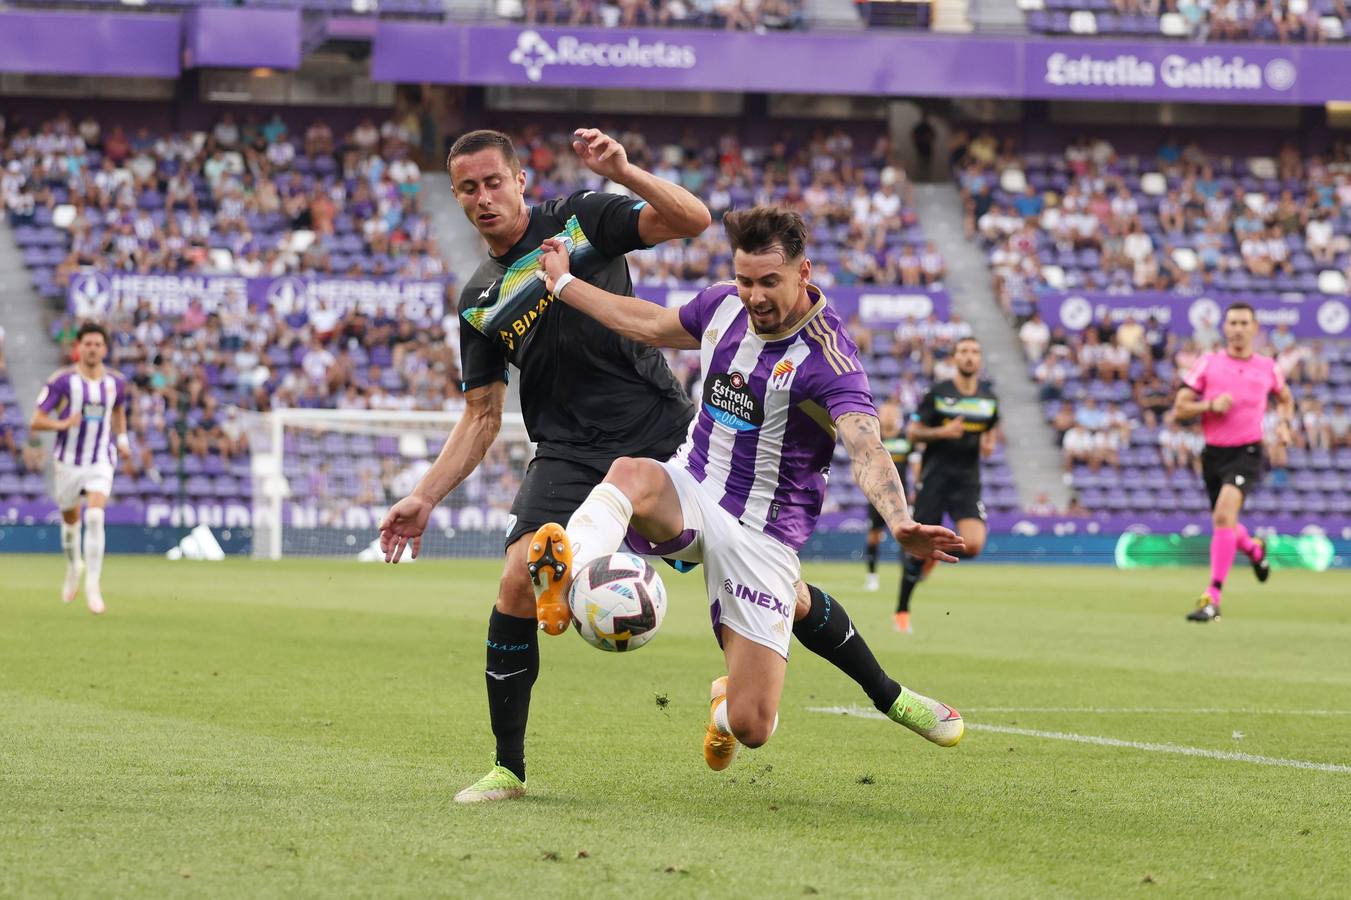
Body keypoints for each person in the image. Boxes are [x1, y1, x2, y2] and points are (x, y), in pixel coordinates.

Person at [377, 130, 944, 803]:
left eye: (493, 181)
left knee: (778, 625)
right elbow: (481, 414)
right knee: (517, 581)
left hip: (659, 426)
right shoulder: (479, 299)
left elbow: (686, 224)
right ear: (455, 197)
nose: (483, 197)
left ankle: (878, 692)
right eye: (467, 188)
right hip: (567, 451)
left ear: (519, 179)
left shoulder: (580, 220)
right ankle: (509, 764)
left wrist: (624, 172)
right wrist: (424, 496)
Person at [530, 206, 966, 770]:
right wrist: (564, 284)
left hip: (763, 531)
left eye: (769, 282)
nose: (754, 296)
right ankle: (565, 574)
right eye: (744, 280)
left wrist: (899, 519)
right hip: (693, 483)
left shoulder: (829, 361)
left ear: (803, 272)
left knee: (754, 724)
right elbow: (646, 323)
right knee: (630, 473)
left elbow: (866, 445)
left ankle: (732, 707)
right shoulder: (722, 307)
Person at [1172, 302, 1294, 623]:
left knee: (1224, 515)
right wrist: (1210, 405)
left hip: (1248, 452)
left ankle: (1211, 599)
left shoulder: (1268, 367)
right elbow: (1180, 408)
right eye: (1233, 323)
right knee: (1224, 522)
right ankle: (1254, 549)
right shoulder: (1208, 363)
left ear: (1255, 328)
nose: (1238, 329)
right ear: (1224, 328)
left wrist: (1283, 423)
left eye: (1244, 323)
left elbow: (1285, 398)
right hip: (1214, 453)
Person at [896, 338, 1000, 627]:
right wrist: (944, 433)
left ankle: (933, 556)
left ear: (979, 360)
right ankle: (902, 610)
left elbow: (991, 426)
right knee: (916, 550)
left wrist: (988, 442)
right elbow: (913, 432)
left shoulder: (988, 398)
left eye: (975, 352)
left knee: (975, 545)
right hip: (935, 479)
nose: (970, 357)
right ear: (955, 358)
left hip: (968, 481)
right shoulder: (938, 393)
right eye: (964, 351)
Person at [28, 322, 130, 615]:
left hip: (100, 459)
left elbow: (119, 410)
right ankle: (74, 567)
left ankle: (93, 587)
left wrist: (122, 439)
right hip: (68, 463)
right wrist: (62, 423)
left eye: (98, 344)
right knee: (71, 522)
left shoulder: (116, 383)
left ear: (105, 349)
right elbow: (36, 420)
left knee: (96, 516)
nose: (93, 348)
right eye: (88, 343)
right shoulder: (62, 382)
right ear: (79, 347)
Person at [861, 400, 914, 603]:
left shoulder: (906, 439)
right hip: (877, 496)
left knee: (905, 536)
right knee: (874, 536)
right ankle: (872, 577)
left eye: (893, 412)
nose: (889, 416)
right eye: (885, 412)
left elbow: (915, 467)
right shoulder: (874, 440)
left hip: (900, 497)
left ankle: (906, 576)